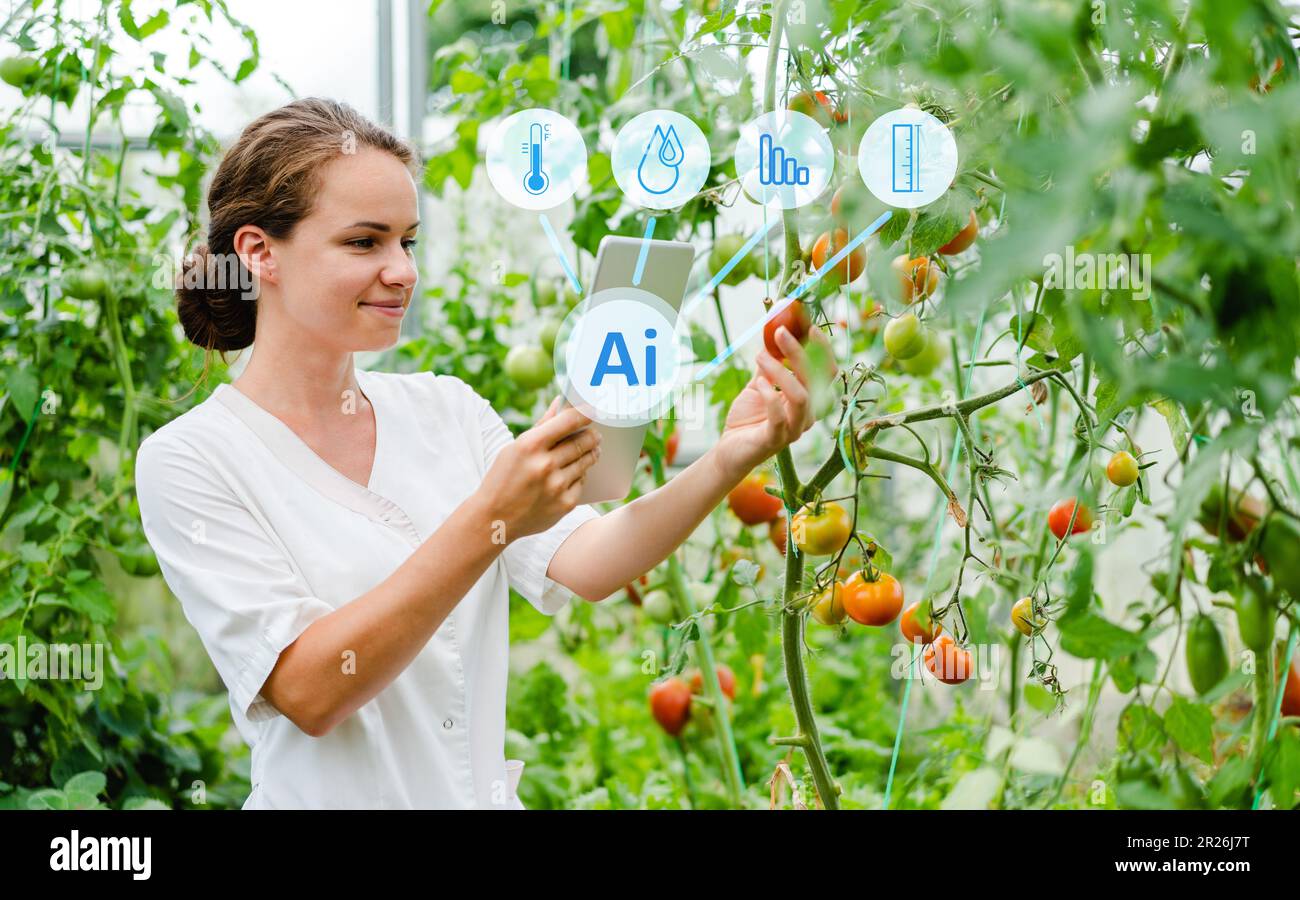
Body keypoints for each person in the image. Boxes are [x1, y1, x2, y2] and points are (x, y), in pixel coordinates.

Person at [135, 97, 832, 809]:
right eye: (364, 242)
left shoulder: (445, 410)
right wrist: (492, 515)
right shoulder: (193, 460)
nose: (401, 270)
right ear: (258, 254)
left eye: (407, 242)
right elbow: (310, 690)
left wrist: (730, 456)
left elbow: (589, 563)